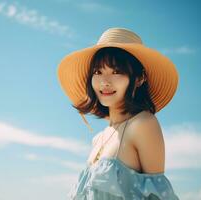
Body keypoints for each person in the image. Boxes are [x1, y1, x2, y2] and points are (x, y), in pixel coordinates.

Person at [57, 27, 180, 200]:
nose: (105, 82)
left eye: (116, 72)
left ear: (139, 78)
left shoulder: (143, 124)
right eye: (98, 72)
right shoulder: (98, 138)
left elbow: (159, 195)